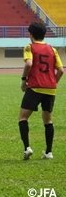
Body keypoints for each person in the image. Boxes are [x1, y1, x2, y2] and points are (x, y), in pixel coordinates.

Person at [19, 22, 63, 160]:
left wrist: (24, 79)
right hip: (50, 89)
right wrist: (53, 82)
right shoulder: (52, 49)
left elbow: (29, 63)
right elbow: (61, 70)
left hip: (35, 87)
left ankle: (27, 148)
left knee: (23, 117)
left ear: (31, 35)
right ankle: (49, 152)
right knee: (48, 121)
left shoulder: (30, 47)